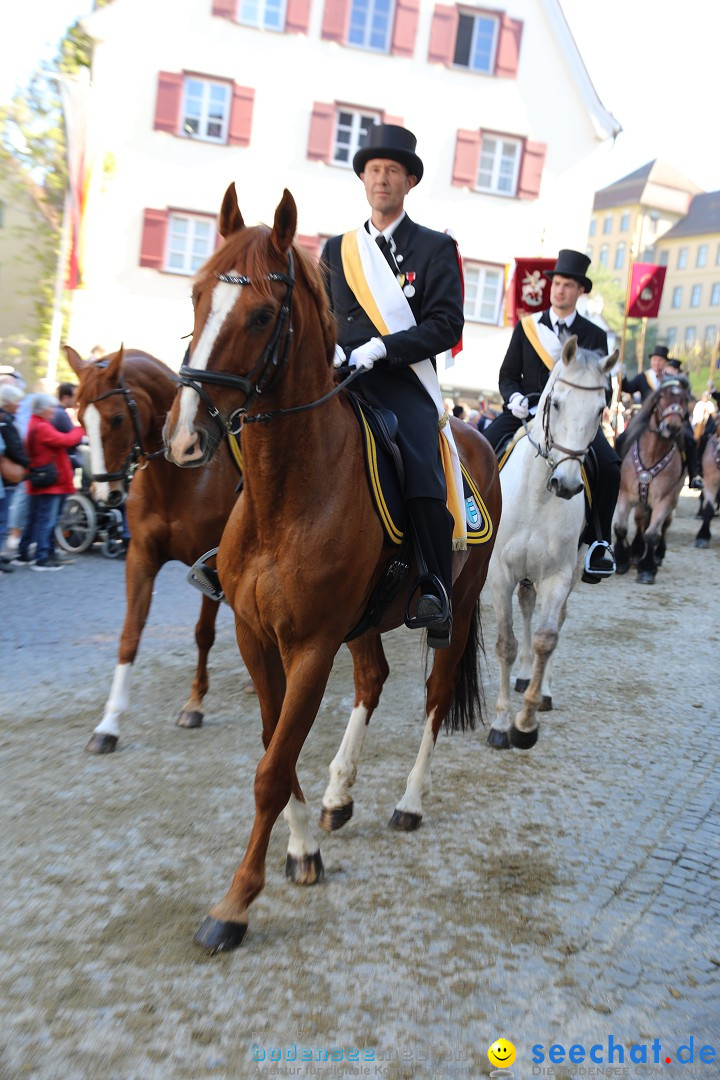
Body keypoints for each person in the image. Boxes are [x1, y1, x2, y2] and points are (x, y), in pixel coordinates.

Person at [321, 123, 464, 646]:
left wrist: (385, 347)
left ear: (409, 182)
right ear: (363, 179)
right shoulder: (337, 250)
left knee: (420, 452)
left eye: (393, 172)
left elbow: (447, 325)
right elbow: (322, 315)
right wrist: (332, 347)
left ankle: (435, 586)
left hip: (403, 381)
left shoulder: (434, 248)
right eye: (375, 171)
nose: (383, 180)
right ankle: (234, 549)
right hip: (341, 377)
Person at [482, 249, 619, 583]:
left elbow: (606, 389)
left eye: (568, 285)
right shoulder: (529, 326)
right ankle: (469, 526)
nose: (560, 290)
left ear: (580, 291)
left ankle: (597, 543)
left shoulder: (594, 334)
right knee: (480, 448)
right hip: (525, 411)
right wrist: (512, 396)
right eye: (556, 283)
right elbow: (507, 374)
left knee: (611, 466)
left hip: (573, 421)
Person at [12, 394, 84, 571]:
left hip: (43, 480)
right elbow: (65, 440)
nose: (53, 411)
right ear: (42, 409)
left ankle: (26, 553)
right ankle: (42, 557)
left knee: (35, 518)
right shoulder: (42, 426)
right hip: (52, 482)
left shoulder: (35, 423)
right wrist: (80, 428)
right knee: (48, 520)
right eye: (51, 408)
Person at [0, 383, 28, 569]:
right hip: (6, 475)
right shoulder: (4, 419)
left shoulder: (7, 418)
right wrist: (26, 463)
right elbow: (9, 446)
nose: (19, 405)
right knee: (2, 517)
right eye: (17, 402)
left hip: (6, 474)